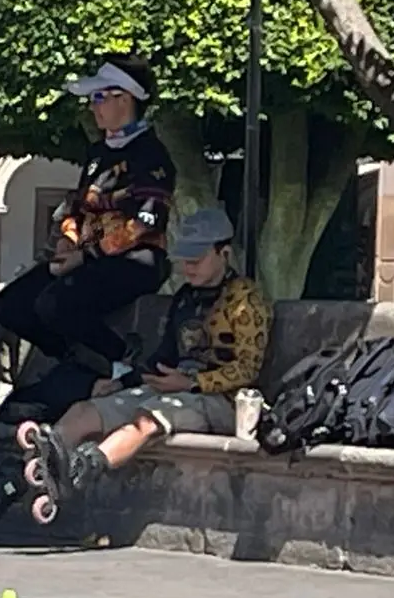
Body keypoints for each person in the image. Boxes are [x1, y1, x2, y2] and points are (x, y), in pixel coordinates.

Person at [17, 208, 269, 511]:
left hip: (219, 399)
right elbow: (163, 356)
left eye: (196, 260)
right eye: (184, 260)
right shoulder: (186, 297)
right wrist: (124, 382)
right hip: (172, 388)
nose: (187, 268)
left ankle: (83, 468)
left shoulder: (246, 299)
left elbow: (248, 368)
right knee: (84, 410)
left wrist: (192, 383)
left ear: (224, 252)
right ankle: (34, 468)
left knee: (146, 421)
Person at [0, 54, 174, 408]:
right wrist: (67, 240)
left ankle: (124, 360)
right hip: (84, 257)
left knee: (55, 303)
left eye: (98, 97)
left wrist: (85, 255)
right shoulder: (96, 153)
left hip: (136, 259)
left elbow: (144, 223)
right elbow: (76, 207)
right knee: (9, 305)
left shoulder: (153, 156)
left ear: (125, 98)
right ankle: (75, 361)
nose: (93, 107)